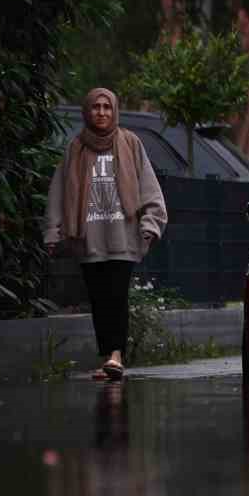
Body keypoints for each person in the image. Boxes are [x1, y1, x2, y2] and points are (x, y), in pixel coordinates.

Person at [44, 88, 168, 381]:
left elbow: (149, 188)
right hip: (88, 239)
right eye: (96, 107)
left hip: (122, 237)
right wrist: (53, 232)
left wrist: (151, 224)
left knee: (117, 296)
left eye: (107, 107)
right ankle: (107, 357)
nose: (101, 112)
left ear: (114, 111)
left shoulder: (130, 143)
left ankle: (116, 355)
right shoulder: (76, 149)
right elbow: (58, 193)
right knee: (98, 300)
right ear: (88, 111)